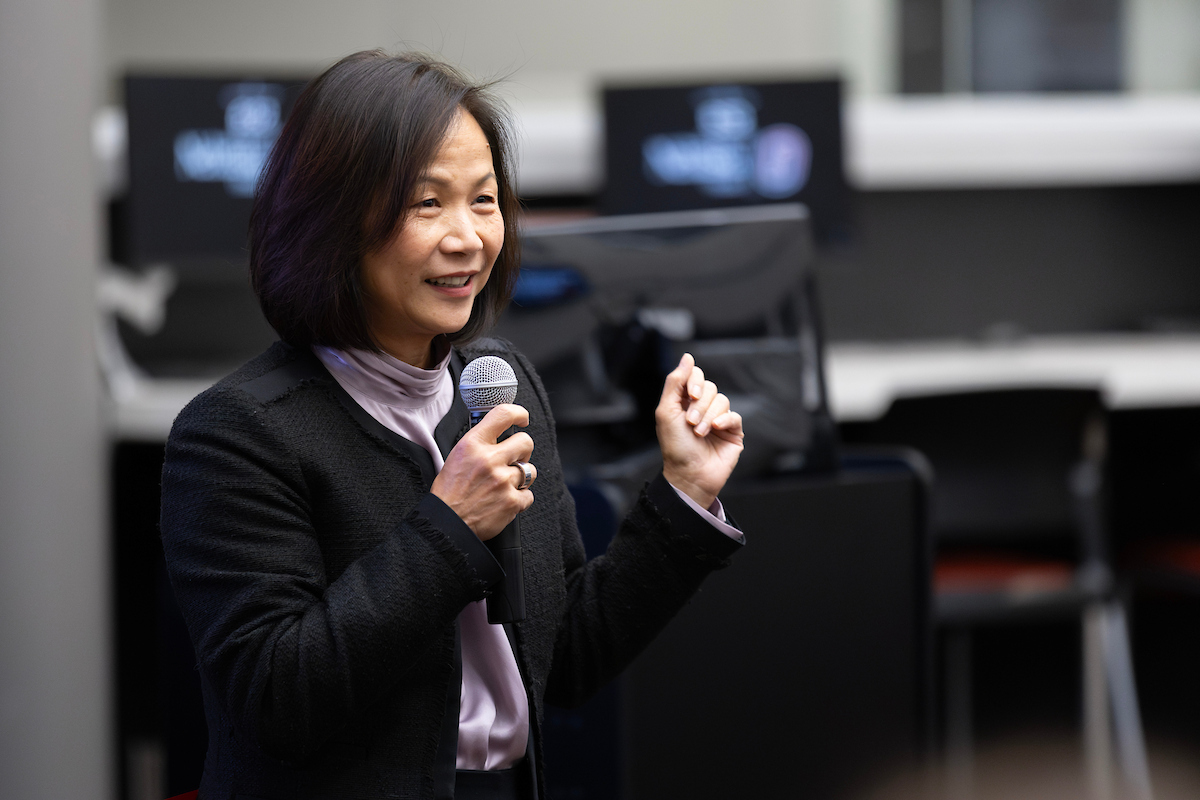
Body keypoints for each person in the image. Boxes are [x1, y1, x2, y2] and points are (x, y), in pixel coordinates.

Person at [160, 50, 745, 800]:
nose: (467, 237)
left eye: (484, 200)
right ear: (332, 221)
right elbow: (276, 704)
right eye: (426, 204)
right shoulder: (235, 433)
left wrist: (685, 494)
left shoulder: (498, 386)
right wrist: (449, 527)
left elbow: (561, 663)